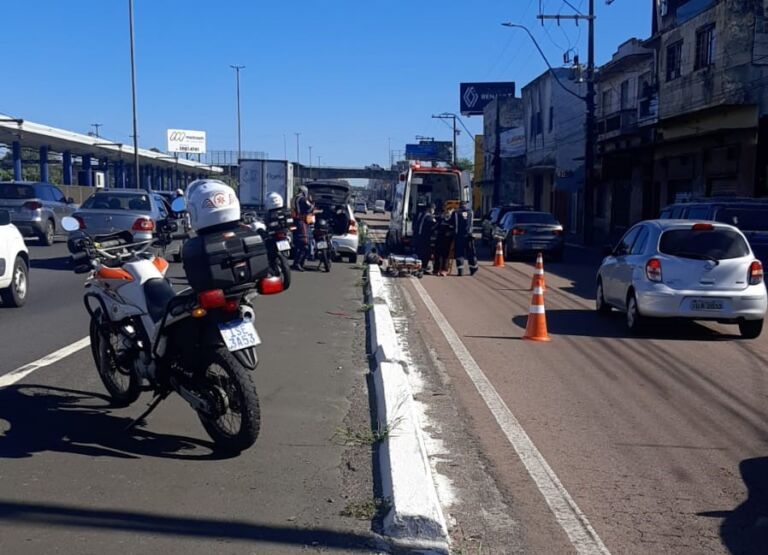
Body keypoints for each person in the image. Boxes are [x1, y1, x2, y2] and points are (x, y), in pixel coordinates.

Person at [451, 201, 478, 276]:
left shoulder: (456, 213)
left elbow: (451, 223)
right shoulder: (470, 212)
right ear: (465, 205)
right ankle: (473, 269)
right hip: (469, 236)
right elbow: (471, 224)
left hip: (459, 236)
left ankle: (460, 271)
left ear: (459, 205)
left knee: (459, 253)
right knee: (471, 253)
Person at [291, 186, 314, 271]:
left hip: (295, 222)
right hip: (301, 222)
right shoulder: (303, 199)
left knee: (298, 244)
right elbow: (310, 208)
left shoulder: (294, 199)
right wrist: (312, 202)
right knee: (304, 244)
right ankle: (298, 263)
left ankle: (299, 263)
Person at [433, 208, 454, 277]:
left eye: (449, 212)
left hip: (447, 241)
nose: (447, 213)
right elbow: (435, 227)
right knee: (437, 255)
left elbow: (454, 230)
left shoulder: (452, 221)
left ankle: (443, 270)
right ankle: (436, 270)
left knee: (445, 256)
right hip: (439, 239)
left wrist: (450, 234)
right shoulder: (440, 219)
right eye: (446, 212)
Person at [415, 203, 436, 273]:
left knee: (420, 252)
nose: (434, 211)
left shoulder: (421, 214)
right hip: (425, 238)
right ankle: (422, 268)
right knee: (426, 253)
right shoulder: (429, 217)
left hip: (419, 236)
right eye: (433, 209)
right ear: (429, 209)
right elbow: (433, 226)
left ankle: (421, 267)